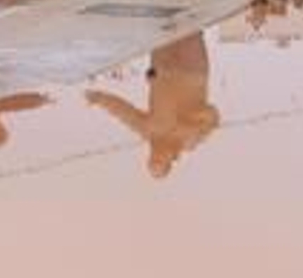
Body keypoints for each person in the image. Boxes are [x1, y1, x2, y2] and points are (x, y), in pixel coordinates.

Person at [85, 32, 220, 178]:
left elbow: (123, 112)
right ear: (169, 162)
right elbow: (212, 115)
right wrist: (191, 117)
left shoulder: (147, 130)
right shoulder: (190, 140)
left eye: (153, 160)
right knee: (191, 29)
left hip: (162, 66)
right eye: (159, 161)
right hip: (192, 71)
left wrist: (99, 99)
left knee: (161, 30)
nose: (157, 156)